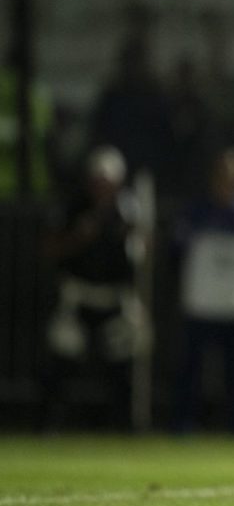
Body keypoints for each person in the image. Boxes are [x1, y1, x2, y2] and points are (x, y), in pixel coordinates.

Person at [41, 145, 149, 429]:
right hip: (79, 297)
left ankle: (123, 429)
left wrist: (136, 238)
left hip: (114, 300)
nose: (103, 188)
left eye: (108, 182)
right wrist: (79, 236)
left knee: (121, 369)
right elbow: (51, 248)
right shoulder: (73, 207)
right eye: (98, 181)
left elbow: (144, 253)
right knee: (63, 361)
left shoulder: (128, 209)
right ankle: (48, 426)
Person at [172, 146, 234, 436]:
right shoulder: (196, 209)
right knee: (192, 368)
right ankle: (184, 422)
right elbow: (178, 246)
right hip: (201, 301)